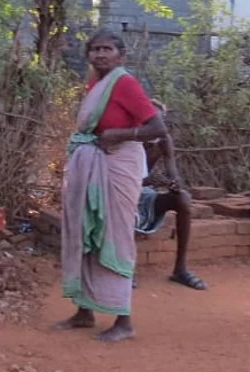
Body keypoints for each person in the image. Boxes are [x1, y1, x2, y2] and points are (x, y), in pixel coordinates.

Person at [59, 28, 167, 342]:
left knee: (115, 238)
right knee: (85, 233)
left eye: (107, 49)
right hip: (93, 164)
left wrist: (120, 135)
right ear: (89, 54)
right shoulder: (96, 83)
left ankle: (124, 321)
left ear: (120, 55)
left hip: (119, 166)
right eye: (95, 49)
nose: (101, 54)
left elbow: (157, 127)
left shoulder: (125, 83)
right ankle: (84, 311)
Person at [135, 99, 206, 290]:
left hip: (145, 194)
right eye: (151, 120)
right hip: (123, 194)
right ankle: (125, 269)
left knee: (183, 199)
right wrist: (148, 180)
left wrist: (173, 185)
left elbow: (174, 175)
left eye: (160, 120)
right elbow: (118, 181)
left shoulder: (163, 141)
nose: (157, 125)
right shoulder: (129, 139)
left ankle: (180, 269)